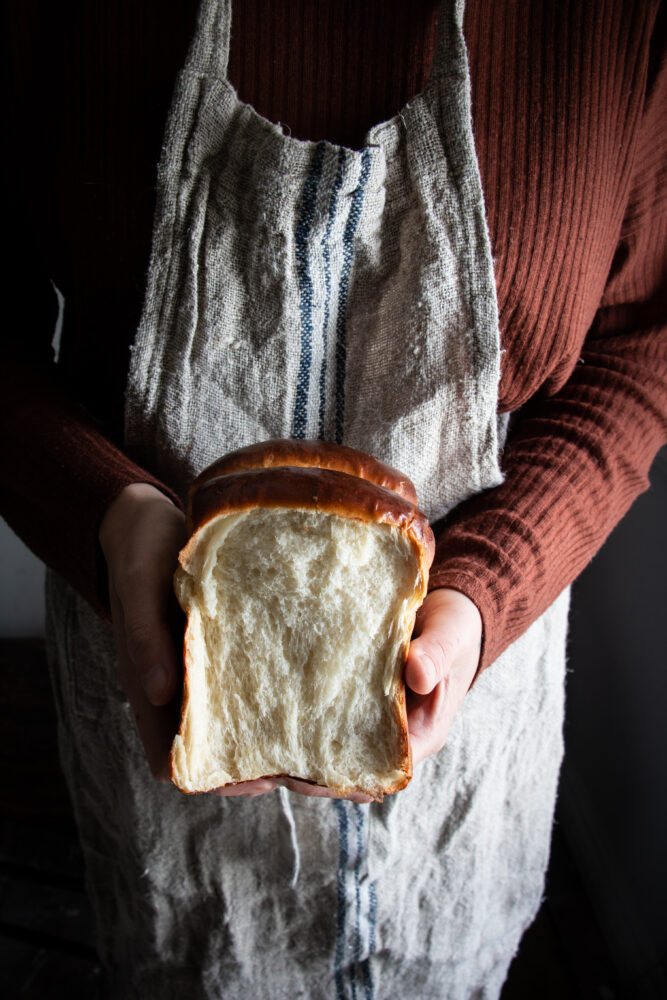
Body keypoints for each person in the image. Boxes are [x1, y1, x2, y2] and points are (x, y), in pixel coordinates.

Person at [2, 1, 666, 997]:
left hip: (469, 724)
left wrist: (485, 590)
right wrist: (112, 519)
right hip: (155, 691)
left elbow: (642, 342)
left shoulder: (615, 21)